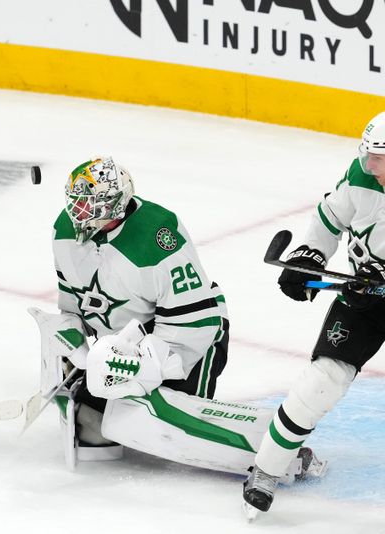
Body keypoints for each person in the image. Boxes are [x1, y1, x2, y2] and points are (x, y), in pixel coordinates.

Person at [32, 156, 324, 480]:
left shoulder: (156, 236)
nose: (77, 213)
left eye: (88, 205)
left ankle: (278, 452)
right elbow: (75, 306)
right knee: (93, 425)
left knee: (167, 426)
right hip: (126, 343)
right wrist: (78, 348)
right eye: (76, 203)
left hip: (191, 340)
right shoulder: (64, 231)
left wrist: (138, 366)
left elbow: (194, 324)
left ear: (114, 204)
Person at [242, 112, 385, 516]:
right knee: (323, 380)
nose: (368, 164)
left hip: (374, 287)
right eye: (369, 153)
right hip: (365, 298)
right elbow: (332, 215)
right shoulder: (362, 176)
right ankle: (266, 472)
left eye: (378, 156)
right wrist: (311, 253)